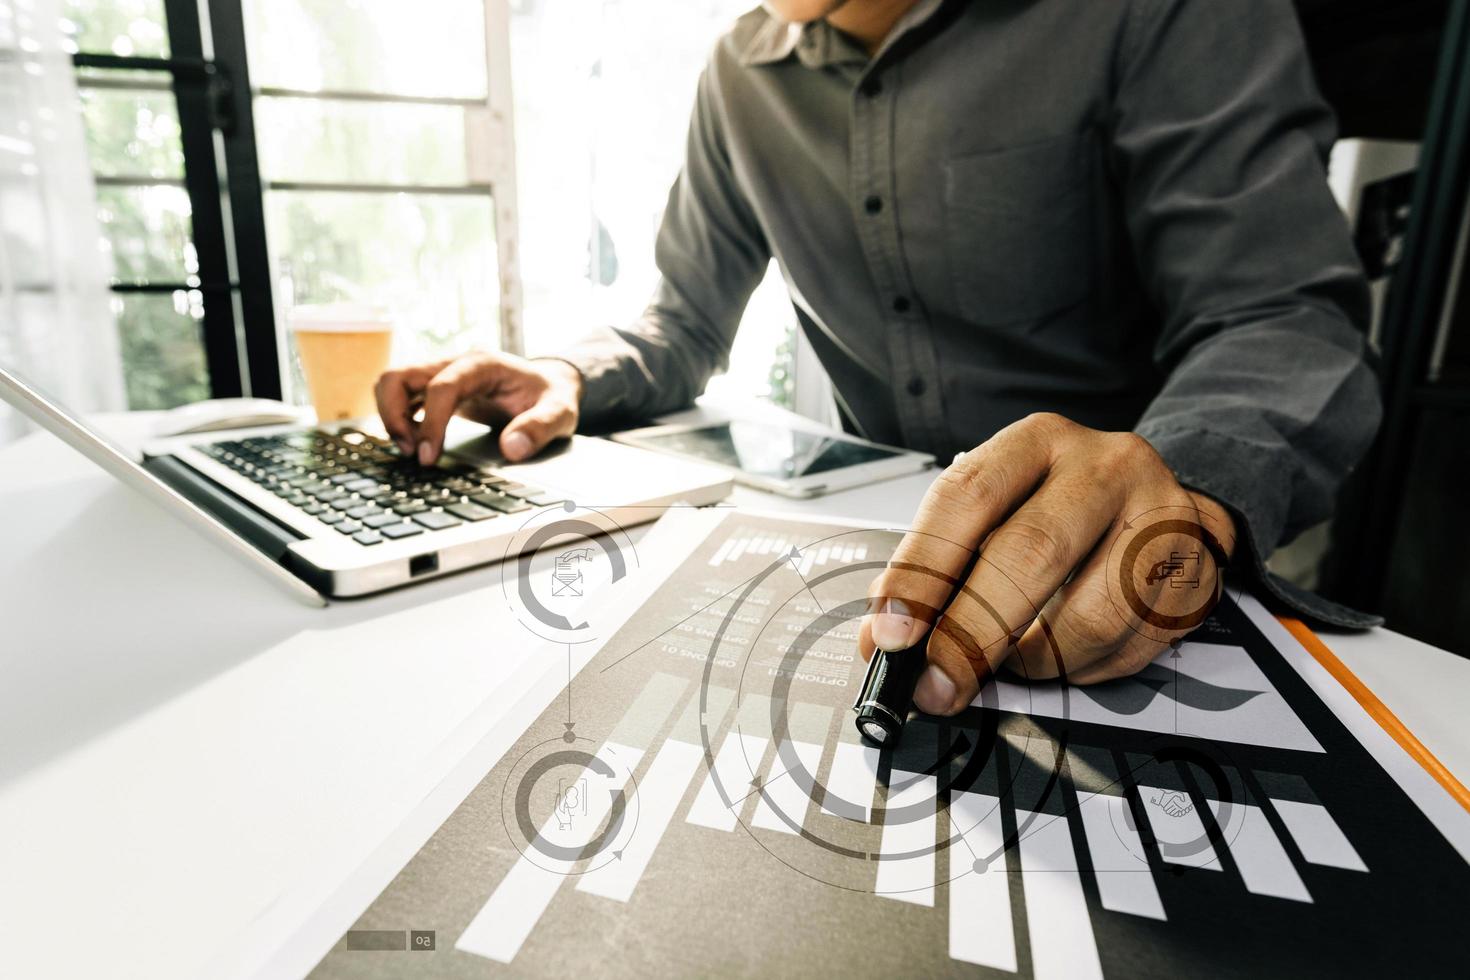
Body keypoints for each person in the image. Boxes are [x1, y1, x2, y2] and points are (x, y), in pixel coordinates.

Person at [375, 0, 1380, 716]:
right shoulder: (738, 77)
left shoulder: (1148, 16)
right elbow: (681, 321)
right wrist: (572, 373)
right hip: (877, 571)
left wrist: (1182, 486)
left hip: (1135, 582)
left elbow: (1280, 315)